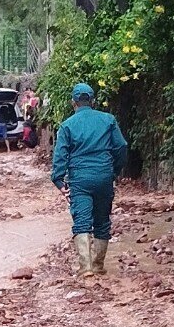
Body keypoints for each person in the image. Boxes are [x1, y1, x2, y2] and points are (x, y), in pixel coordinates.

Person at [51, 81, 130, 274]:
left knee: (82, 221)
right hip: (104, 176)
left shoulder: (67, 126)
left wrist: (59, 181)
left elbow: (60, 155)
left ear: (73, 103)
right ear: (93, 101)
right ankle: (98, 265)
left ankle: (85, 268)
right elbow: (121, 146)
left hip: (80, 180)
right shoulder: (108, 120)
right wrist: (114, 171)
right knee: (102, 220)